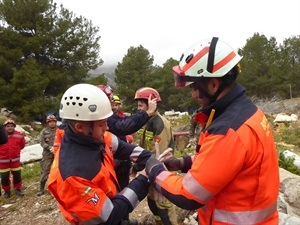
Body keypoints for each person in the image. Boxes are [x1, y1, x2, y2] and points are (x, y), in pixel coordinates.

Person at [145, 37, 280, 224]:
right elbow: (223, 161)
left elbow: (188, 195)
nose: (193, 95)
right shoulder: (248, 113)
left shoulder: (228, 130)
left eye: (194, 88)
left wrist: (155, 170)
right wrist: (181, 163)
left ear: (214, 84)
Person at [47, 83, 153, 225]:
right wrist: (143, 180)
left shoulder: (92, 138)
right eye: (102, 123)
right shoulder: (74, 176)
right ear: (80, 127)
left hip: (110, 206)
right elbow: (109, 216)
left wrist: (151, 158)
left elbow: (122, 147)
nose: (107, 127)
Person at [97, 85, 157, 225]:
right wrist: (146, 114)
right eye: (109, 99)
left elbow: (124, 139)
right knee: (114, 201)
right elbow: (123, 126)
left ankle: (124, 219)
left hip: (120, 165)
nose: (106, 128)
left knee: (121, 195)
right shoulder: (98, 122)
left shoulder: (105, 120)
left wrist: (148, 159)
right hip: (112, 168)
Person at [134, 87, 177, 225]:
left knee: (163, 208)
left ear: (151, 104)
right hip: (149, 170)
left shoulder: (160, 124)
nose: (138, 108)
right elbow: (142, 146)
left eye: (141, 105)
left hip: (160, 171)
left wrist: (139, 166)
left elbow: (160, 154)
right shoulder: (146, 122)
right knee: (153, 204)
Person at [0, 119, 25, 198]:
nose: (9, 128)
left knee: (17, 175)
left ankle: (18, 189)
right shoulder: (1, 135)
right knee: (4, 177)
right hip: (3, 161)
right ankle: (7, 191)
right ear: (4, 127)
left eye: (11, 126)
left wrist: (15, 152)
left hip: (15, 160)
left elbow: (22, 145)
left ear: (14, 127)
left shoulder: (19, 135)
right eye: (7, 126)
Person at [37, 115, 57, 196]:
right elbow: (42, 142)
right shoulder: (44, 131)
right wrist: (49, 147)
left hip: (58, 153)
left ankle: (58, 187)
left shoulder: (59, 130)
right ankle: (41, 189)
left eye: (53, 122)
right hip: (47, 154)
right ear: (48, 123)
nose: (52, 123)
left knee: (58, 171)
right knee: (45, 171)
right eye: (50, 122)